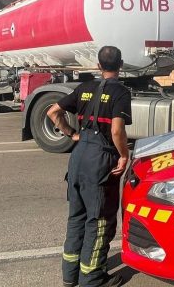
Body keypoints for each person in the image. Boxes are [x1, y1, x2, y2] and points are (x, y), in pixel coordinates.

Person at [48, 46, 132, 287]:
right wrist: (124, 156)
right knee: (100, 221)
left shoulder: (85, 88)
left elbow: (53, 111)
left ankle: (70, 276)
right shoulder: (121, 92)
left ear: (98, 66)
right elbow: (117, 130)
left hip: (78, 157)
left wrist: (71, 133)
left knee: (76, 217)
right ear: (121, 65)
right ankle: (93, 279)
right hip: (100, 160)